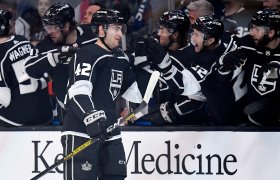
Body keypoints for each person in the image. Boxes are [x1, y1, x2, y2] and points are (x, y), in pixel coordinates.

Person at [63, 9, 143, 179]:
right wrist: (91, 117)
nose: (120, 34)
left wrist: (133, 108)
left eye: (121, 29)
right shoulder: (87, 53)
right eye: (115, 28)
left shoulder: (121, 58)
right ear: (101, 29)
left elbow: (133, 93)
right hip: (81, 131)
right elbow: (78, 92)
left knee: (116, 175)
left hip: (110, 131)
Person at [219, 8, 280, 126]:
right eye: (251, 27)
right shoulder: (246, 44)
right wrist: (224, 62)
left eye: (256, 29)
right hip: (254, 120)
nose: (251, 32)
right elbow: (222, 75)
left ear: (270, 33)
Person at [146, 14, 243, 125]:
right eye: (193, 33)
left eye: (196, 35)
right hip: (232, 113)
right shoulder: (226, 37)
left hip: (232, 121)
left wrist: (166, 66)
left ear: (210, 40)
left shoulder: (205, 63)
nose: (192, 38)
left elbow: (181, 85)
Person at [23, 2, 97, 122]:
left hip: (96, 105)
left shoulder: (92, 35)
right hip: (68, 111)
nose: (49, 31)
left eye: (53, 27)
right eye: (47, 27)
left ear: (66, 26)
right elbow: (28, 68)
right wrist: (56, 55)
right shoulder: (47, 45)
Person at [133, 10, 209, 125]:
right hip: (162, 126)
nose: (158, 33)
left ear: (175, 35)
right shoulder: (159, 49)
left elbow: (199, 98)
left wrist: (171, 112)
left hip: (190, 128)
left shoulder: (194, 56)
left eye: (163, 30)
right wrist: (139, 58)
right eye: (159, 29)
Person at [0, 9, 52, 127]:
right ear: (11, 26)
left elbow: (4, 98)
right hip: (45, 112)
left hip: (20, 118)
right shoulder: (23, 41)